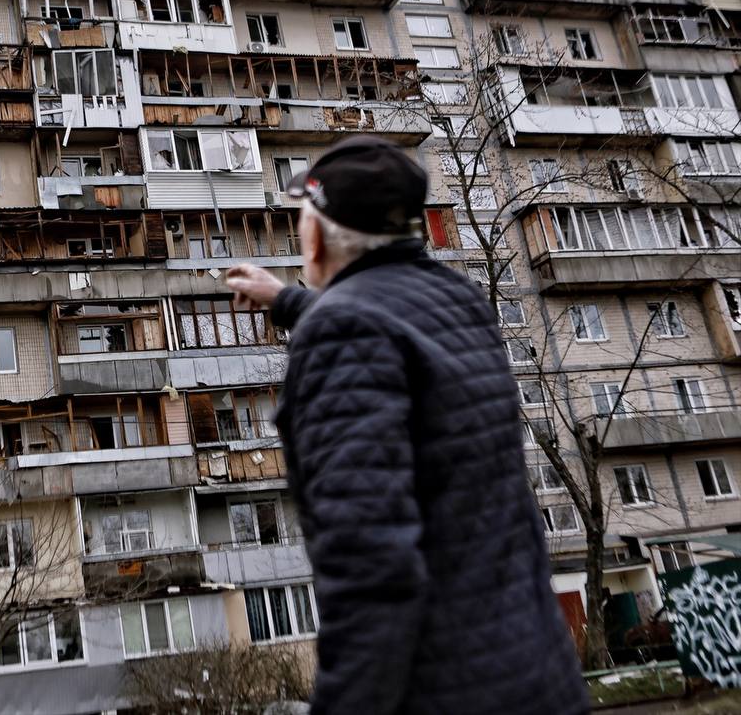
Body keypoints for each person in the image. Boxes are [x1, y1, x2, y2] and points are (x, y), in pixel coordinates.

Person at [225, 135, 588, 715]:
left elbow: (373, 570)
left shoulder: (343, 334)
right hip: (536, 672)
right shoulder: (457, 299)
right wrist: (286, 299)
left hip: (442, 689)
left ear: (315, 236)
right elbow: (390, 331)